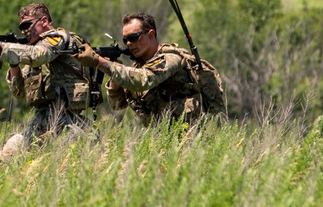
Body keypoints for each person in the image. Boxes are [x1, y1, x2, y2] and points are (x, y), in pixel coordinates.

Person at [0, 3, 93, 155]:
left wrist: (0, 46)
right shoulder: (33, 52)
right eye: (21, 28)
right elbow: (20, 93)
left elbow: (39, 55)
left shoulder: (58, 38)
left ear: (44, 21)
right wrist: (13, 62)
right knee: (6, 156)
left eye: (27, 25)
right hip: (40, 121)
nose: (24, 31)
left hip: (66, 119)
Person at [72, 12, 225, 126]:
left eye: (133, 37)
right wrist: (112, 70)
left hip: (190, 135)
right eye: (125, 40)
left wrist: (99, 62)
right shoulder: (137, 68)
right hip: (161, 137)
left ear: (151, 34)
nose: (129, 44)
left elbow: (144, 80)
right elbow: (117, 105)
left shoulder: (171, 57)